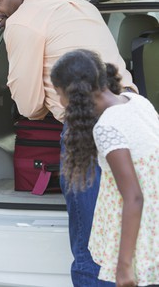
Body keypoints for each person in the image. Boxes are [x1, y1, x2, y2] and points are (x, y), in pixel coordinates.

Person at [0, 0, 137, 286]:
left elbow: (28, 104)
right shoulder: (80, 7)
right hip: (133, 120)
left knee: (91, 251)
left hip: (88, 134)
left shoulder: (22, 23)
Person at [50, 49, 159, 287]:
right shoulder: (138, 102)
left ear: (73, 93)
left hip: (142, 225)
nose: (60, 102)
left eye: (59, 94)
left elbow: (134, 197)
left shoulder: (107, 127)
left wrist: (124, 266)